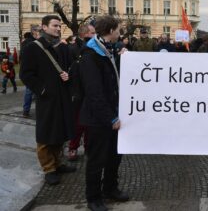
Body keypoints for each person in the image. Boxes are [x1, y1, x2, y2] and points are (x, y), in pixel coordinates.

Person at [79, 16, 129, 211]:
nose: (120, 33)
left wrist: (125, 56)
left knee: (114, 156)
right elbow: (94, 92)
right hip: (98, 118)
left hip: (114, 113)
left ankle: (110, 188)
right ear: (110, 30)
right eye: (118, 29)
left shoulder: (111, 50)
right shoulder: (91, 55)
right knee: (97, 159)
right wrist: (110, 117)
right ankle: (93, 198)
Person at [19, 15, 76, 185]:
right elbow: (25, 74)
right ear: (44, 27)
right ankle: (48, 168)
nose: (58, 29)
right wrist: (42, 90)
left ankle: (57, 163)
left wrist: (68, 75)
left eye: (59, 26)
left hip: (62, 97)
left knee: (59, 131)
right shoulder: (33, 48)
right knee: (45, 135)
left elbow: (66, 68)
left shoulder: (59, 47)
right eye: (54, 26)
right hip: (46, 99)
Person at [67, 24, 96, 161]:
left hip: (90, 90)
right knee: (78, 123)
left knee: (90, 122)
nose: (95, 35)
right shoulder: (73, 48)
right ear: (85, 34)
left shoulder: (94, 47)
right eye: (93, 32)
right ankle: (73, 147)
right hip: (78, 92)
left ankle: (88, 146)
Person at [20, 25, 41, 117]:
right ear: (34, 32)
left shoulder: (37, 41)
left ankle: (36, 111)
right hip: (31, 70)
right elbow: (24, 56)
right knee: (30, 91)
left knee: (35, 92)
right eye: (39, 31)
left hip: (38, 70)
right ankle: (26, 111)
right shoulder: (28, 42)